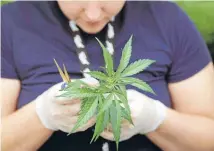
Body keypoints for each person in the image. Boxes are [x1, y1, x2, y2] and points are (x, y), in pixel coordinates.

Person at [1, 1, 214, 151]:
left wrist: (156, 119)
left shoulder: (168, 20)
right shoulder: (9, 23)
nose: (93, 14)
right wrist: (41, 115)